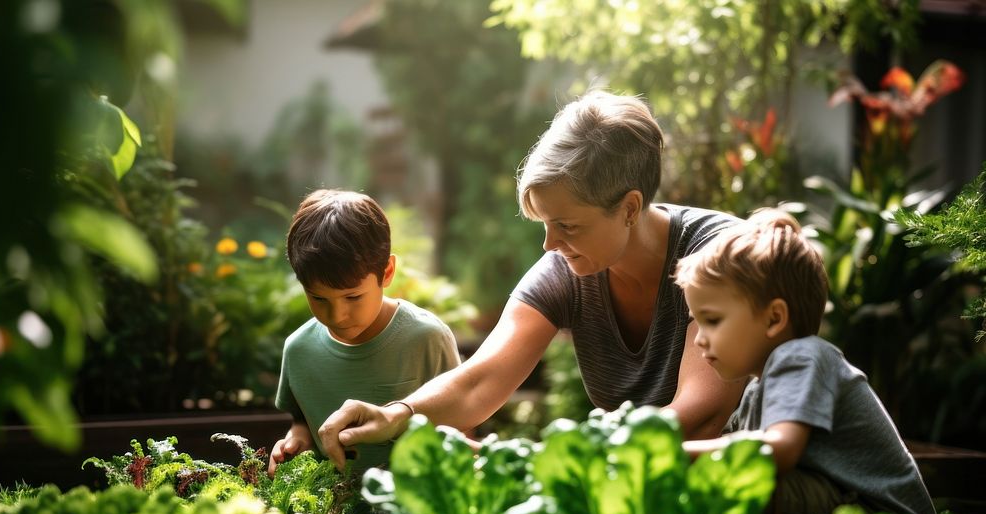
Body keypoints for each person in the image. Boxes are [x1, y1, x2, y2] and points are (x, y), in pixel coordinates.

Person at [313, 90, 747, 469]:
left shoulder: (717, 254)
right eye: (544, 224)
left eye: (568, 226)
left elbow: (700, 412)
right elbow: (479, 382)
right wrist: (396, 414)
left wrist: (554, 460)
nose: (549, 245)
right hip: (635, 482)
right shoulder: (569, 269)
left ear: (630, 208)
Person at [675, 208, 937, 514]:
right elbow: (726, 447)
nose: (699, 339)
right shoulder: (758, 389)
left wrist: (675, 454)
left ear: (774, 318)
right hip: (850, 513)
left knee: (742, 483)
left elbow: (781, 450)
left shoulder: (802, 356)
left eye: (712, 321)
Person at [267, 189, 461, 476]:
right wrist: (296, 442)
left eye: (353, 297)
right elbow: (302, 421)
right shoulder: (298, 349)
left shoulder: (427, 338)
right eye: (319, 299)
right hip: (334, 512)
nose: (337, 315)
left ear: (387, 272)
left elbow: (461, 424)